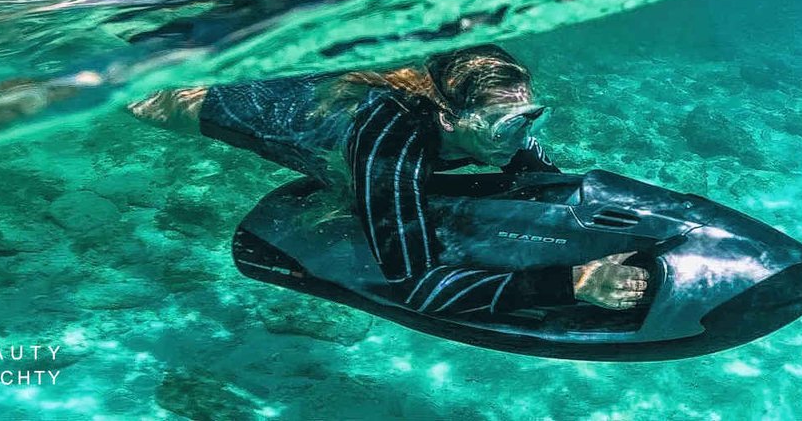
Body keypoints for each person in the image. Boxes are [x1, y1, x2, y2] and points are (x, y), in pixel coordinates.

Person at [128, 44, 652, 318]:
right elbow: (417, 285)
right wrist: (571, 283)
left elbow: (540, 182)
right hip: (223, 105)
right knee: (132, 97)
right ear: (450, 119)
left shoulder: (492, 131)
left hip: (289, 86)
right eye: (504, 125)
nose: (520, 138)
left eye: (529, 119)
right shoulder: (392, 149)